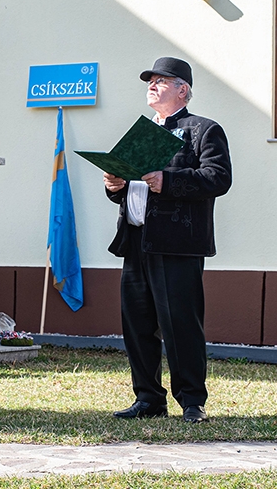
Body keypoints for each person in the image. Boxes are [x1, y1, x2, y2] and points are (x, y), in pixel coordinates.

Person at [102, 57, 231, 424]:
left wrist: (169, 181)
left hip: (177, 243)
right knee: (138, 324)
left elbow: (218, 178)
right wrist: (115, 186)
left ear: (183, 90)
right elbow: (129, 186)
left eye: (161, 81)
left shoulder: (203, 130)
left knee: (180, 324)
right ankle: (148, 398)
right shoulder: (141, 132)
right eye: (150, 81)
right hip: (137, 240)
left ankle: (192, 401)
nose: (152, 86)